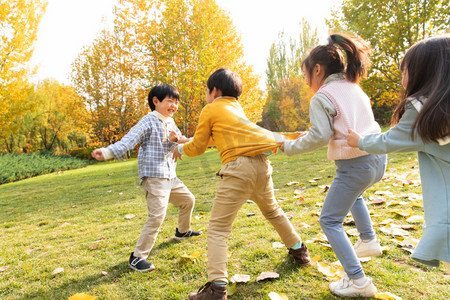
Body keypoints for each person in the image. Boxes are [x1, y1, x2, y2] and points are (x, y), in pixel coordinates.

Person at [173, 68, 311, 300]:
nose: (207, 96)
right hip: (261, 166)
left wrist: (179, 148)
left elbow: (197, 148)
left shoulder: (211, 108)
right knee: (273, 211)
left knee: (218, 229)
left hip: (238, 170)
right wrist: (192, 141)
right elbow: (216, 138)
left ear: (214, 91)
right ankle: (300, 252)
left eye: (207, 91)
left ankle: (216, 289)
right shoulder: (236, 108)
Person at [279, 33, 387, 298]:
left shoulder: (322, 96)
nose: (306, 83)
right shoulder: (353, 86)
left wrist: (288, 147)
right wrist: (311, 133)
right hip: (378, 159)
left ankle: (358, 281)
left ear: (317, 70)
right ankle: (369, 239)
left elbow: (321, 136)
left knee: (329, 220)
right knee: (355, 195)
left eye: (305, 76)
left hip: (355, 166)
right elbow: (333, 126)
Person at [347, 34, 450, 273]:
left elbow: (389, 140)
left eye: (405, 71)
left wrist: (359, 140)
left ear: (425, 72)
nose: (402, 77)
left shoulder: (422, 112)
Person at [91, 84, 202, 273]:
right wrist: (108, 152)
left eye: (176, 102)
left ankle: (182, 232)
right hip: (154, 176)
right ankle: (137, 257)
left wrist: (190, 141)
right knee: (157, 215)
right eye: (170, 101)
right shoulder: (148, 121)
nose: (174, 106)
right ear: (156, 101)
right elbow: (129, 139)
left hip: (170, 176)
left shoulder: (170, 122)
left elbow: (181, 139)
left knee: (188, 200)